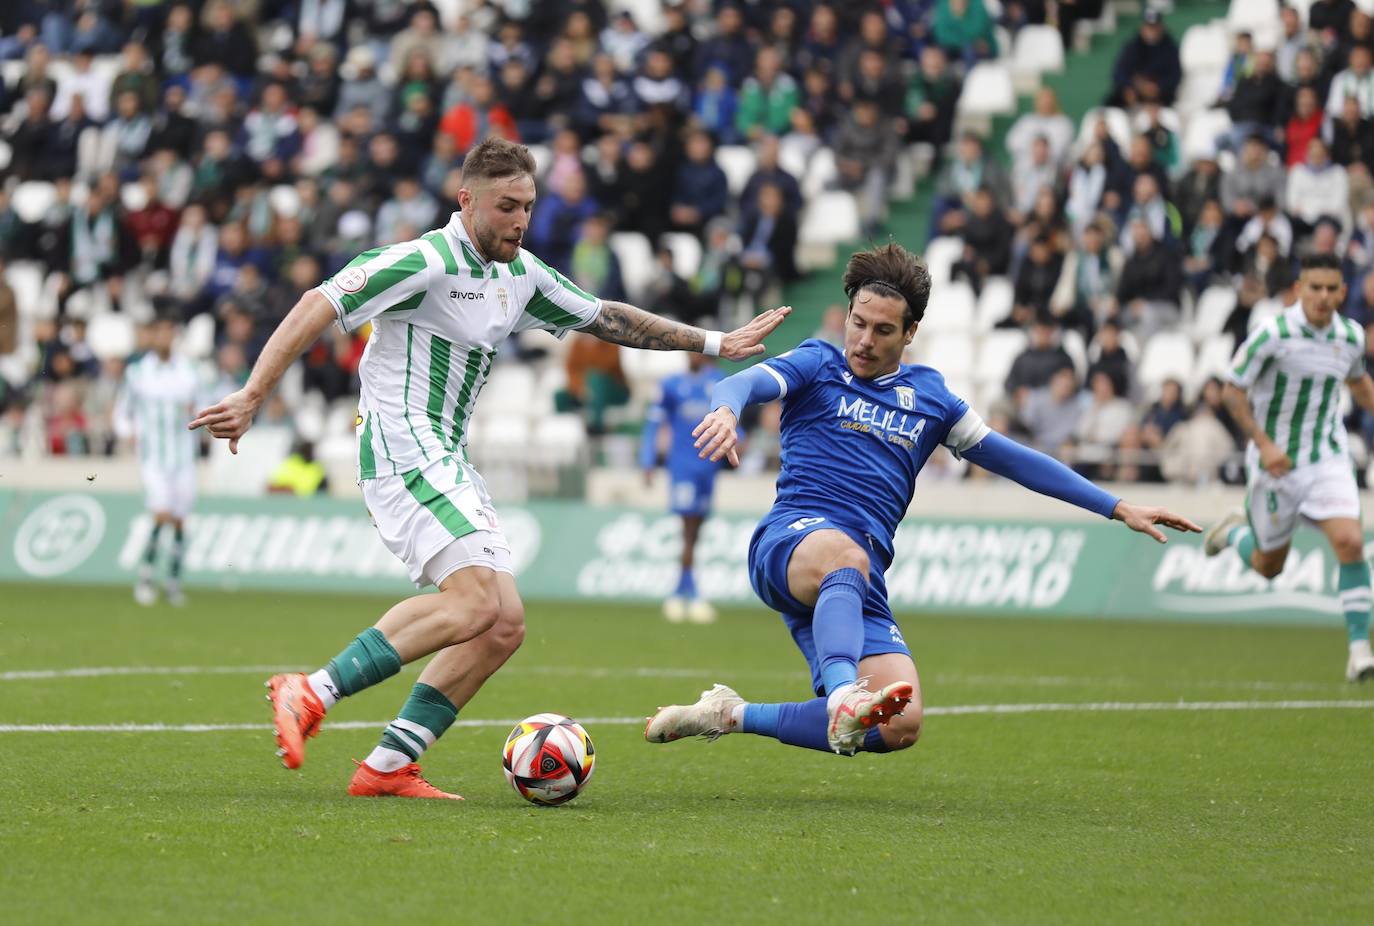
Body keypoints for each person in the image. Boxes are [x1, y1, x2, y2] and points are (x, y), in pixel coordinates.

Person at [190, 138, 790, 799]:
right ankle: (310, 691)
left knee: (503, 624)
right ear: (466, 200)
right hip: (401, 445)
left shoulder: (520, 274)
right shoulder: (422, 260)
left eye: (528, 207)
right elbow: (319, 303)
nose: (520, 220)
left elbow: (606, 317)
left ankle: (388, 766)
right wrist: (252, 394)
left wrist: (714, 342)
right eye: (507, 206)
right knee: (474, 602)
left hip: (447, 453)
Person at [645, 243, 1198, 757]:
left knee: (899, 725)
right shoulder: (818, 362)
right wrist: (725, 410)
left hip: (856, 577)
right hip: (791, 542)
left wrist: (1116, 506)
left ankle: (729, 714)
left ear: (909, 333)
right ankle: (843, 697)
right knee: (846, 562)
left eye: (882, 330)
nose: (863, 340)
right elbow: (740, 384)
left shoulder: (932, 399)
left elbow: (1018, 460)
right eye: (857, 323)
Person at [1204, 253, 1374, 683]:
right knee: (1268, 566)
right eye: (1314, 287)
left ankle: (1359, 651)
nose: (1322, 296)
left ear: (1342, 291)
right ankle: (1233, 534)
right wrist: (1263, 444)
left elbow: (1357, 383)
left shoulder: (1351, 336)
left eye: (1331, 288)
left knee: (1351, 541)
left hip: (1327, 457)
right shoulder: (1272, 333)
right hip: (1275, 463)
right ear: (1299, 288)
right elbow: (1232, 392)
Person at [115, 312, 210, 607]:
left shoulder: (190, 372)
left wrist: (202, 417)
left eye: (170, 332)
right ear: (152, 336)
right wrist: (128, 433)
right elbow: (122, 413)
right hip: (153, 457)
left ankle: (172, 581)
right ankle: (145, 577)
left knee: (180, 520)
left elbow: (205, 407)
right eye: (159, 332)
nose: (164, 337)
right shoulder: (138, 373)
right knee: (161, 514)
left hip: (184, 457)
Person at [640, 354, 726, 624]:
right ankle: (686, 593)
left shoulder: (718, 381)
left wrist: (741, 441)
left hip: (709, 467)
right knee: (688, 528)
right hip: (683, 466)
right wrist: (648, 458)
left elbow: (733, 416)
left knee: (696, 528)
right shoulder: (672, 384)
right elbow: (654, 422)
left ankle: (683, 590)